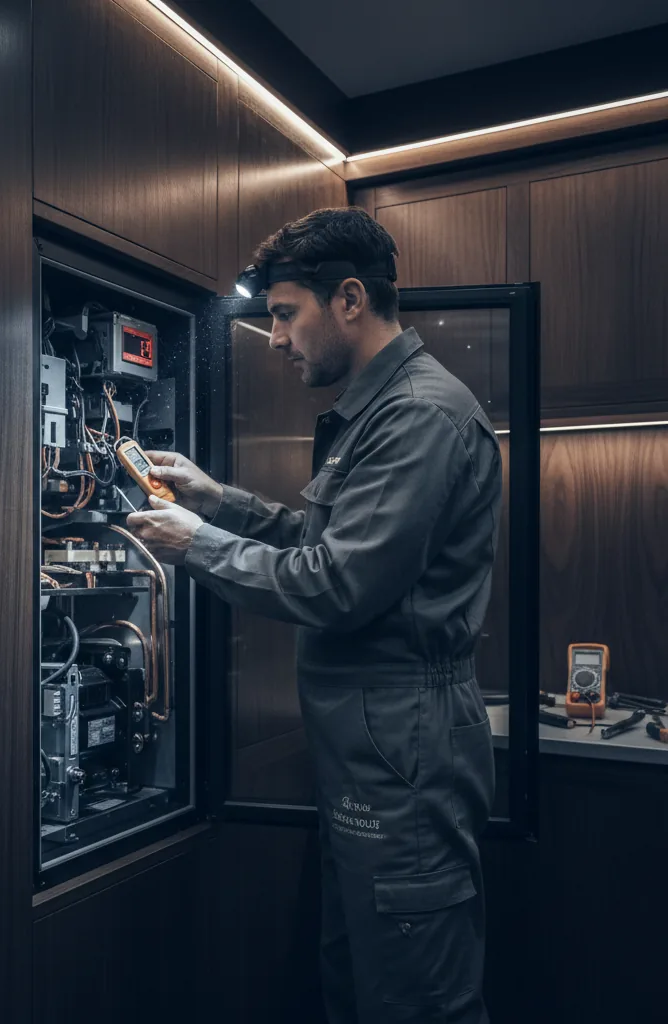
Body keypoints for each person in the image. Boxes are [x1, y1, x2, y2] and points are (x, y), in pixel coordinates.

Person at [126, 207, 500, 1024]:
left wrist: (197, 546)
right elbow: (327, 540)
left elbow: (334, 586)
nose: (277, 338)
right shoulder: (382, 410)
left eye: (286, 314)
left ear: (351, 300)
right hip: (374, 747)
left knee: (415, 997)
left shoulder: (417, 417)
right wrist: (218, 502)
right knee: (362, 981)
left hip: (402, 747)